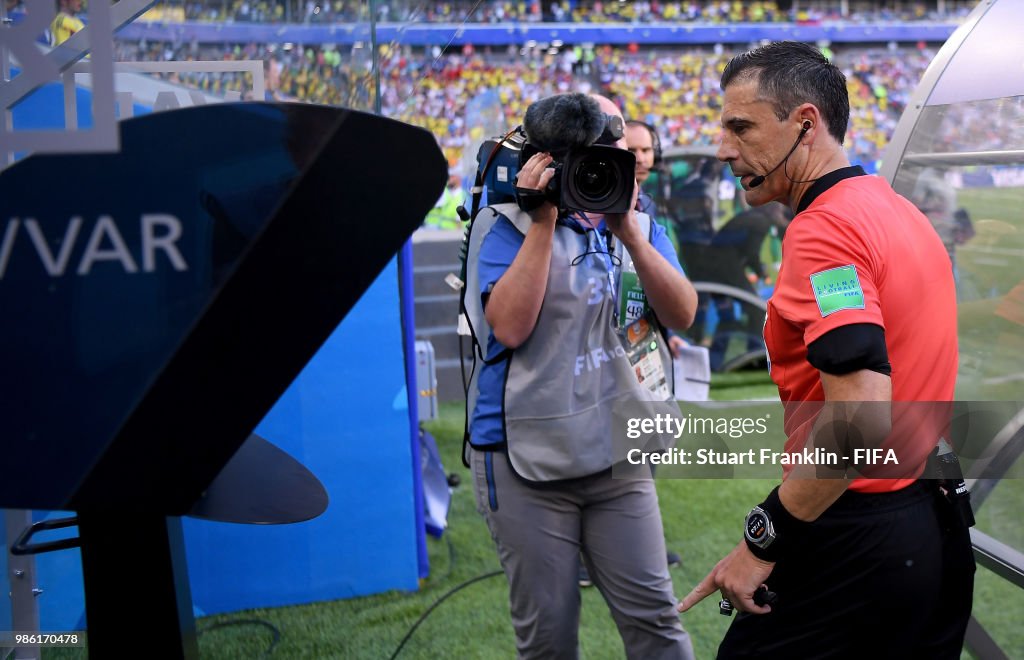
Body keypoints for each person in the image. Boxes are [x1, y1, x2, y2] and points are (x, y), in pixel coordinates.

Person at [677, 41, 974, 658]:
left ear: (805, 124)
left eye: (741, 127)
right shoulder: (894, 209)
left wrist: (762, 540)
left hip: (860, 529)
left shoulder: (826, 229)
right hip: (932, 520)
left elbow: (862, 417)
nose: (725, 149)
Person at [467, 92, 697, 659]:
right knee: (550, 638)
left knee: (657, 622)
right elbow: (511, 329)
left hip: (618, 453)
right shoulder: (506, 225)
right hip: (526, 459)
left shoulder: (638, 224)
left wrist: (632, 234)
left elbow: (681, 315)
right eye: (589, 143)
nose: (606, 153)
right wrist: (543, 222)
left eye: (614, 137)